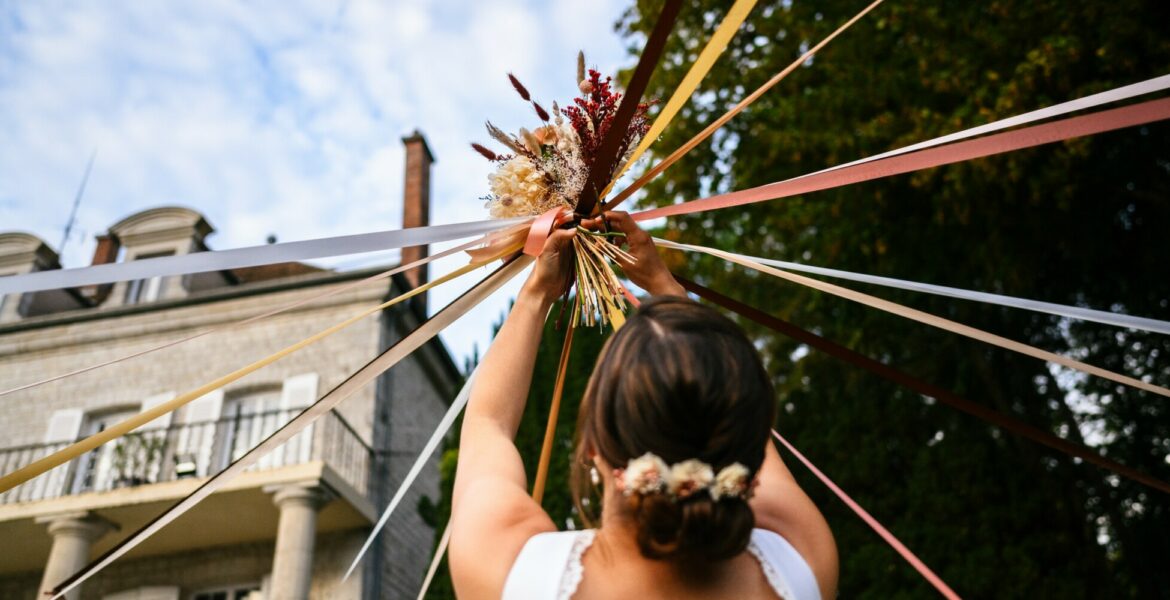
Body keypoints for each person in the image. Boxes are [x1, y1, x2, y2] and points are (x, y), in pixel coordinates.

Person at [449, 211, 838, 599]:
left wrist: (537, 293)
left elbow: (488, 423)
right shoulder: (799, 565)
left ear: (591, 444)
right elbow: (732, 400)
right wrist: (661, 282)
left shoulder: (515, 575)